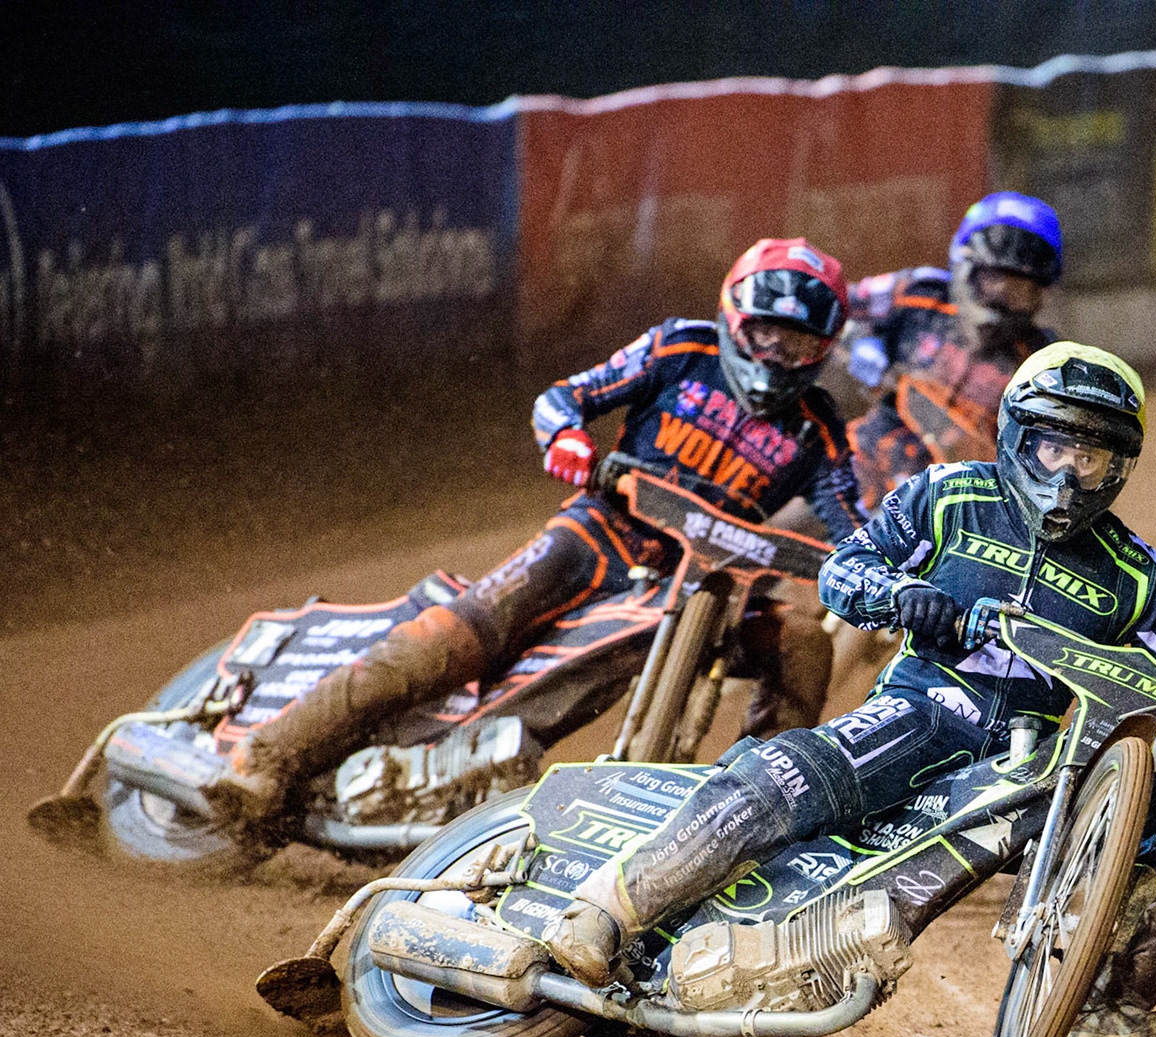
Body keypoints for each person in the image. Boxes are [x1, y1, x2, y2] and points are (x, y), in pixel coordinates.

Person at [546, 341, 1156, 1037]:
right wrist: (902, 596)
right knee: (783, 770)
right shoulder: (948, 495)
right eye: (1055, 449)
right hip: (925, 710)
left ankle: (1101, 1008)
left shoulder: (1136, 573)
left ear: (1120, 466)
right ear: (1017, 435)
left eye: (1092, 457)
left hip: (1041, 756)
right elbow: (845, 570)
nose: (1070, 476)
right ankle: (607, 914)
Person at [205, 238, 867, 824]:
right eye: (766, 335)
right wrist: (568, 439)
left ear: (824, 350)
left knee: (804, 641)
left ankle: (768, 814)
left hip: (708, 587)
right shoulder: (678, 348)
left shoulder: (820, 427)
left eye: (800, 344)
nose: (778, 356)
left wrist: (884, 570)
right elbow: (565, 397)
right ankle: (265, 754)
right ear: (733, 320)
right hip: (598, 536)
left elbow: (851, 523)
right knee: (458, 639)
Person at [839, 191, 1064, 510]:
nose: (1001, 294)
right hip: (861, 459)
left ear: (1040, 292)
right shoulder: (919, 294)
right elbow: (827, 304)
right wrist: (858, 339)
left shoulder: (1042, 363)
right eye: (993, 277)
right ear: (965, 268)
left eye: (1018, 287)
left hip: (952, 505)